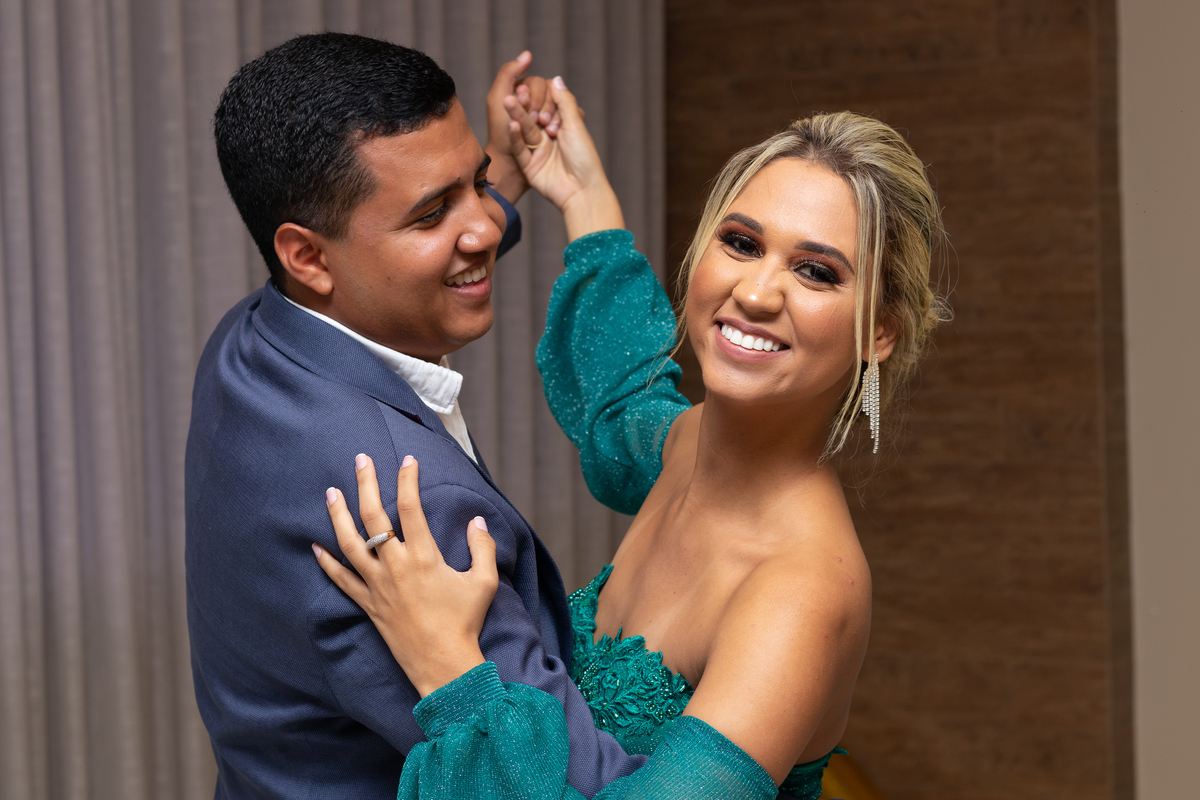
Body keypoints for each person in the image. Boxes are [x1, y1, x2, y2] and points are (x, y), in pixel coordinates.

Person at [313, 77, 946, 800]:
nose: (756, 293)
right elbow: (622, 396)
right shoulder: (687, 446)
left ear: (879, 332)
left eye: (815, 272)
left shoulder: (801, 591)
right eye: (741, 244)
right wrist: (581, 193)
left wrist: (449, 667)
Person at [184, 33, 655, 800]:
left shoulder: (249, 345)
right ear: (308, 257)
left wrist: (502, 175)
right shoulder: (411, 509)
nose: (486, 227)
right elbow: (579, 787)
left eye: (477, 183)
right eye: (434, 212)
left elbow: (408, 261)